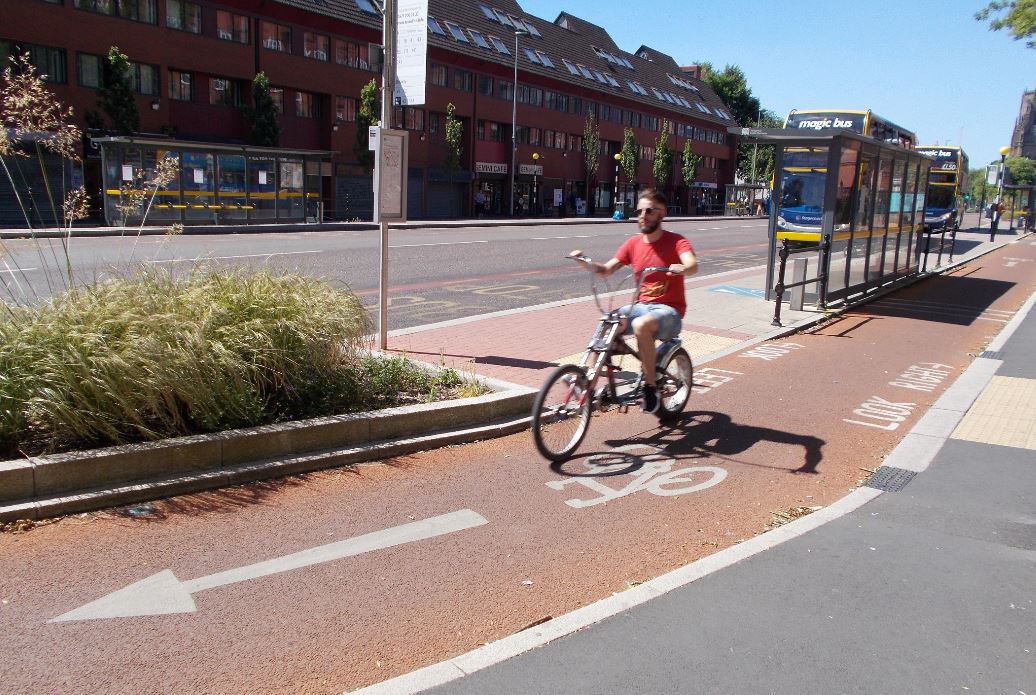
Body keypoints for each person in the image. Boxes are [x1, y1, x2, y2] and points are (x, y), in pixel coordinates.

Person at [570, 188, 698, 414]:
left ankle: (650, 388)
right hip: (642, 307)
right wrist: (586, 263)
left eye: (649, 211)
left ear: (661, 213)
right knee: (608, 320)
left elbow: (692, 265)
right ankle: (586, 379)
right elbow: (607, 269)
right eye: (639, 211)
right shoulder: (633, 244)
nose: (642, 215)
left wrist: (682, 268)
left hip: (670, 312)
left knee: (640, 325)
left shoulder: (677, 242)